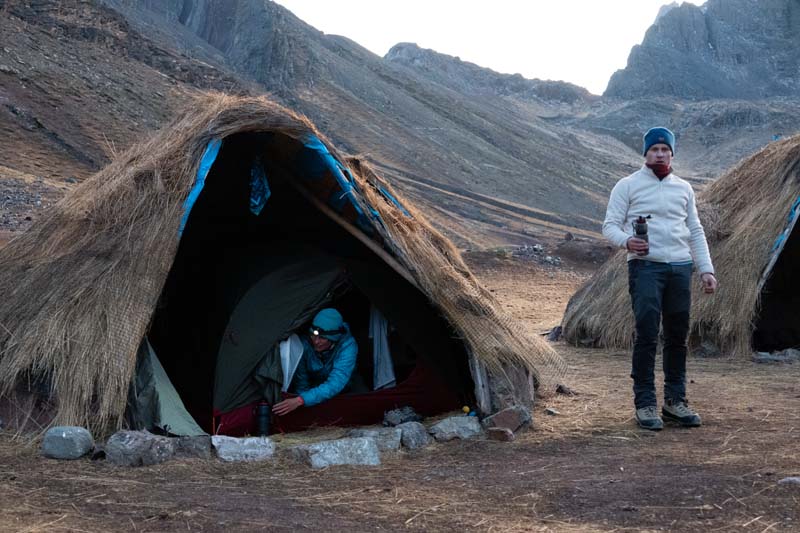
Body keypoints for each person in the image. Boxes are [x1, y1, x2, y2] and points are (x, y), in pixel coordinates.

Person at [602, 127, 718, 431]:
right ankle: (645, 403)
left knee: (678, 336)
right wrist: (628, 241)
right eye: (654, 149)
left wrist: (706, 269)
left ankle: (675, 401)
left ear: (672, 153)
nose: (660, 153)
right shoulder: (627, 186)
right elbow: (609, 226)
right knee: (647, 334)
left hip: (681, 267)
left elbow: (695, 230)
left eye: (665, 149)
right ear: (645, 153)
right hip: (646, 268)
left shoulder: (684, 188)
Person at [272, 308, 358, 416]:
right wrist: (301, 401)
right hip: (314, 390)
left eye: (322, 338)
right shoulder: (304, 344)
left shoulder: (348, 346)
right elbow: (301, 381)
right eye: (313, 335)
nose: (316, 341)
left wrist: (300, 400)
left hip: (346, 388)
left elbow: (336, 382)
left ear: (333, 339)